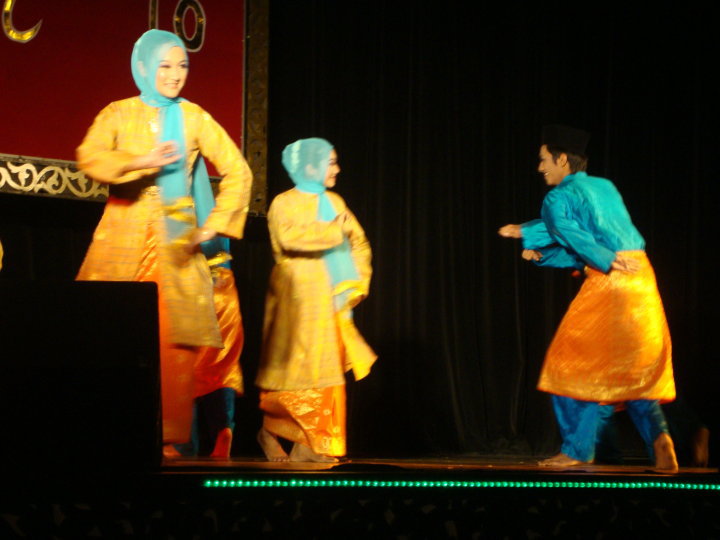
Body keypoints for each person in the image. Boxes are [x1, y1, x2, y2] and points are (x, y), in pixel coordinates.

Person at [75, 29, 253, 455]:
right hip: (122, 235)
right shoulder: (119, 112)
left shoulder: (195, 117)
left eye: (183, 65)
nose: (175, 74)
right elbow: (90, 157)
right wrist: (142, 160)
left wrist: (215, 224)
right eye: (165, 65)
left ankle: (166, 438)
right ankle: (111, 433)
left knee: (174, 343)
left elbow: (238, 170)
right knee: (113, 334)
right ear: (142, 68)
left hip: (177, 242)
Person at [498, 124, 678, 472]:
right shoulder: (605, 186)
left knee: (567, 365)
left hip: (611, 280)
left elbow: (567, 231)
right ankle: (661, 442)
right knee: (628, 369)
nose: (540, 167)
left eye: (544, 159)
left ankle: (576, 450)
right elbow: (585, 236)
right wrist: (540, 250)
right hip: (642, 276)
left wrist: (526, 232)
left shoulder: (556, 198)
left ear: (562, 159)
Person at [255, 138, 376, 463]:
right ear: (310, 167)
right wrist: (333, 232)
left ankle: (312, 444)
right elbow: (289, 239)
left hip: (330, 298)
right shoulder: (284, 202)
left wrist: (357, 284)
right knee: (291, 372)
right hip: (295, 298)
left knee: (327, 373)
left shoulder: (335, 202)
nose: (338, 169)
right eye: (331, 162)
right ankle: (269, 433)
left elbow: (360, 244)